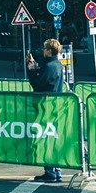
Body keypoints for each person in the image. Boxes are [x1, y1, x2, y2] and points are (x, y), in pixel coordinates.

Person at [29, 39, 69, 183]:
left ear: (49, 51)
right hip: (54, 106)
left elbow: (38, 84)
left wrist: (32, 70)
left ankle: (51, 172)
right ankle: (55, 170)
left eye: (45, 48)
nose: (43, 50)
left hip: (46, 106)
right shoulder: (56, 65)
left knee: (46, 139)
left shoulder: (50, 66)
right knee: (52, 138)